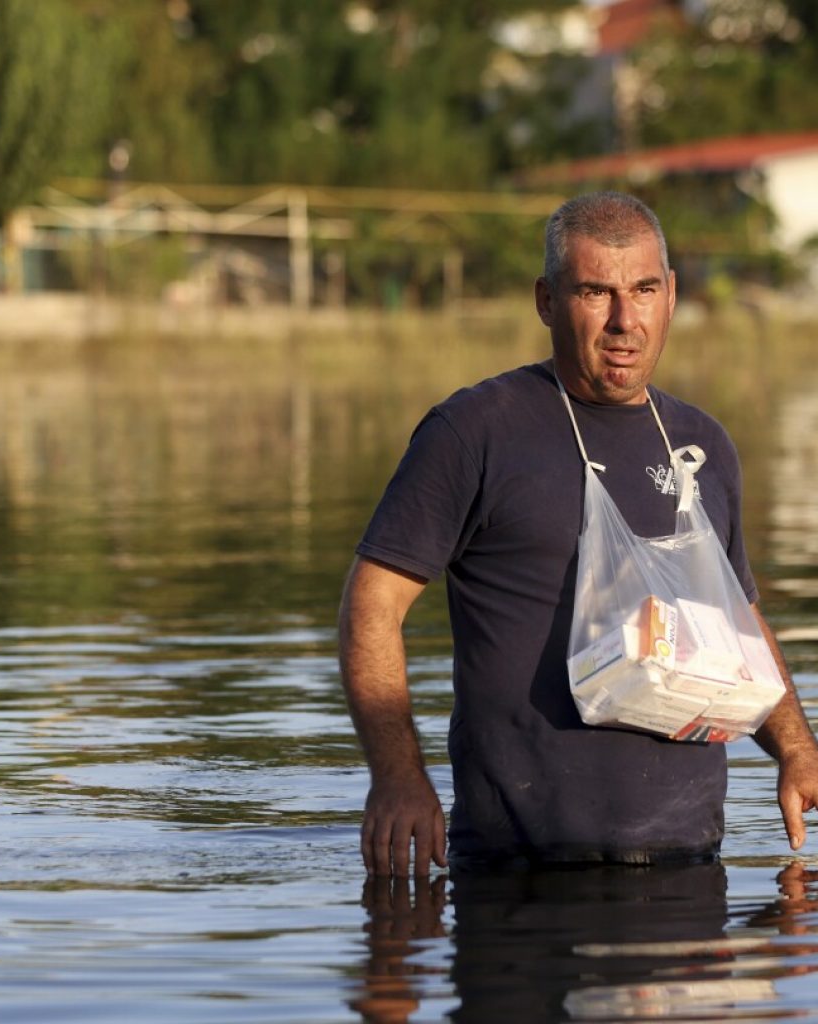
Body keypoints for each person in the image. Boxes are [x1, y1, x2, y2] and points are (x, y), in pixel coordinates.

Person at [338, 190, 818, 876]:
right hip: (520, 878)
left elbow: (738, 620)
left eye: (645, 289)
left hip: (690, 873)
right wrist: (397, 778)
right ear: (545, 301)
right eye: (596, 292)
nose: (626, 320)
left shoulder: (701, 442)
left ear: (672, 296)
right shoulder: (475, 432)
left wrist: (798, 751)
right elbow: (372, 605)